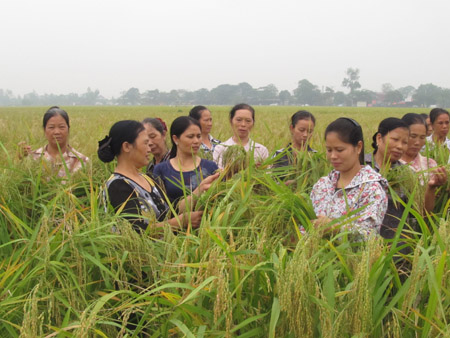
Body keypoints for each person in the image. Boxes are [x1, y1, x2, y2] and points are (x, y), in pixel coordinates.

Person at [98, 120, 218, 233]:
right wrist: (179, 222)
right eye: (145, 143)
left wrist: (201, 189)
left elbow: (172, 210)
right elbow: (136, 230)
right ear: (127, 147)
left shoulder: (148, 179)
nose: (149, 149)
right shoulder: (118, 185)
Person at [310, 118, 388, 239]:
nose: (333, 156)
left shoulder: (372, 189)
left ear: (358, 147)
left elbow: (369, 234)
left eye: (339, 150)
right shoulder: (322, 184)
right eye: (329, 150)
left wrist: (335, 228)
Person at [153, 116, 219, 205]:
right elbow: (160, 207)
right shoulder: (161, 169)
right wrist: (199, 191)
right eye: (190, 137)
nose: (196, 141)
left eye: (199, 136)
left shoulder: (211, 167)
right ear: (175, 139)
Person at [18, 106, 88, 178]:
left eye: (61, 127)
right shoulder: (34, 159)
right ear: (44, 130)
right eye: (51, 127)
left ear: (68, 129)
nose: (57, 132)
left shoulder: (81, 161)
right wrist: (21, 160)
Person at [213, 103, 269, 169]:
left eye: (248, 121)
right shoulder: (220, 149)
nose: (243, 124)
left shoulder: (261, 150)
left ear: (253, 123)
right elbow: (218, 174)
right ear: (231, 121)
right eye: (239, 120)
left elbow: (267, 174)